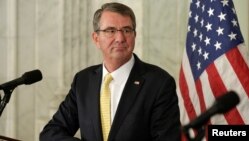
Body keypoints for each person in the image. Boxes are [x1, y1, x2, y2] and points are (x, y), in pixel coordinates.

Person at [39, 2, 181, 141]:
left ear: (134, 35)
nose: (120, 38)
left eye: (126, 30)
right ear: (96, 39)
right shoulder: (83, 81)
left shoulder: (159, 83)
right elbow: (51, 133)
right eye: (110, 31)